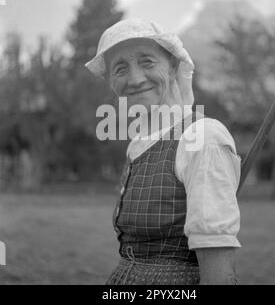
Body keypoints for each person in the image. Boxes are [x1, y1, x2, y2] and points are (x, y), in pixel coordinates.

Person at [85, 18, 241, 285]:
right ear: (111, 81)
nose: (135, 78)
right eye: (120, 68)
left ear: (173, 66)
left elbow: (219, 275)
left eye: (147, 61)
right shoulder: (137, 144)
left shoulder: (201, 137)